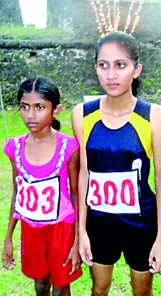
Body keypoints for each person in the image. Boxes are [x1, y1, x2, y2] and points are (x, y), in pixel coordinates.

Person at [72, 31, 161, 296]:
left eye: (120, 65)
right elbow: (84, 174)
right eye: (104, 66)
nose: (111, 75)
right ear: (96, 69)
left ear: (136, 70)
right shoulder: (82, 114)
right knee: (99, 288)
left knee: (142, 291)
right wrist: (81, 230)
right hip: (99, 221)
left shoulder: (154, 116)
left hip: (141, 221)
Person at [2, 77, 82, 295]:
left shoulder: (69, 147)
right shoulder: (14, 148)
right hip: (31, 229)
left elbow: (76, 194)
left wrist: (77, 241)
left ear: (55, 110)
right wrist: (8, 238)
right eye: (24, 107)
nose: (31, 115)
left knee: (61, 287)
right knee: (40, 284)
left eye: (39, 107)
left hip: (62, 228)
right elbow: (18, 192)